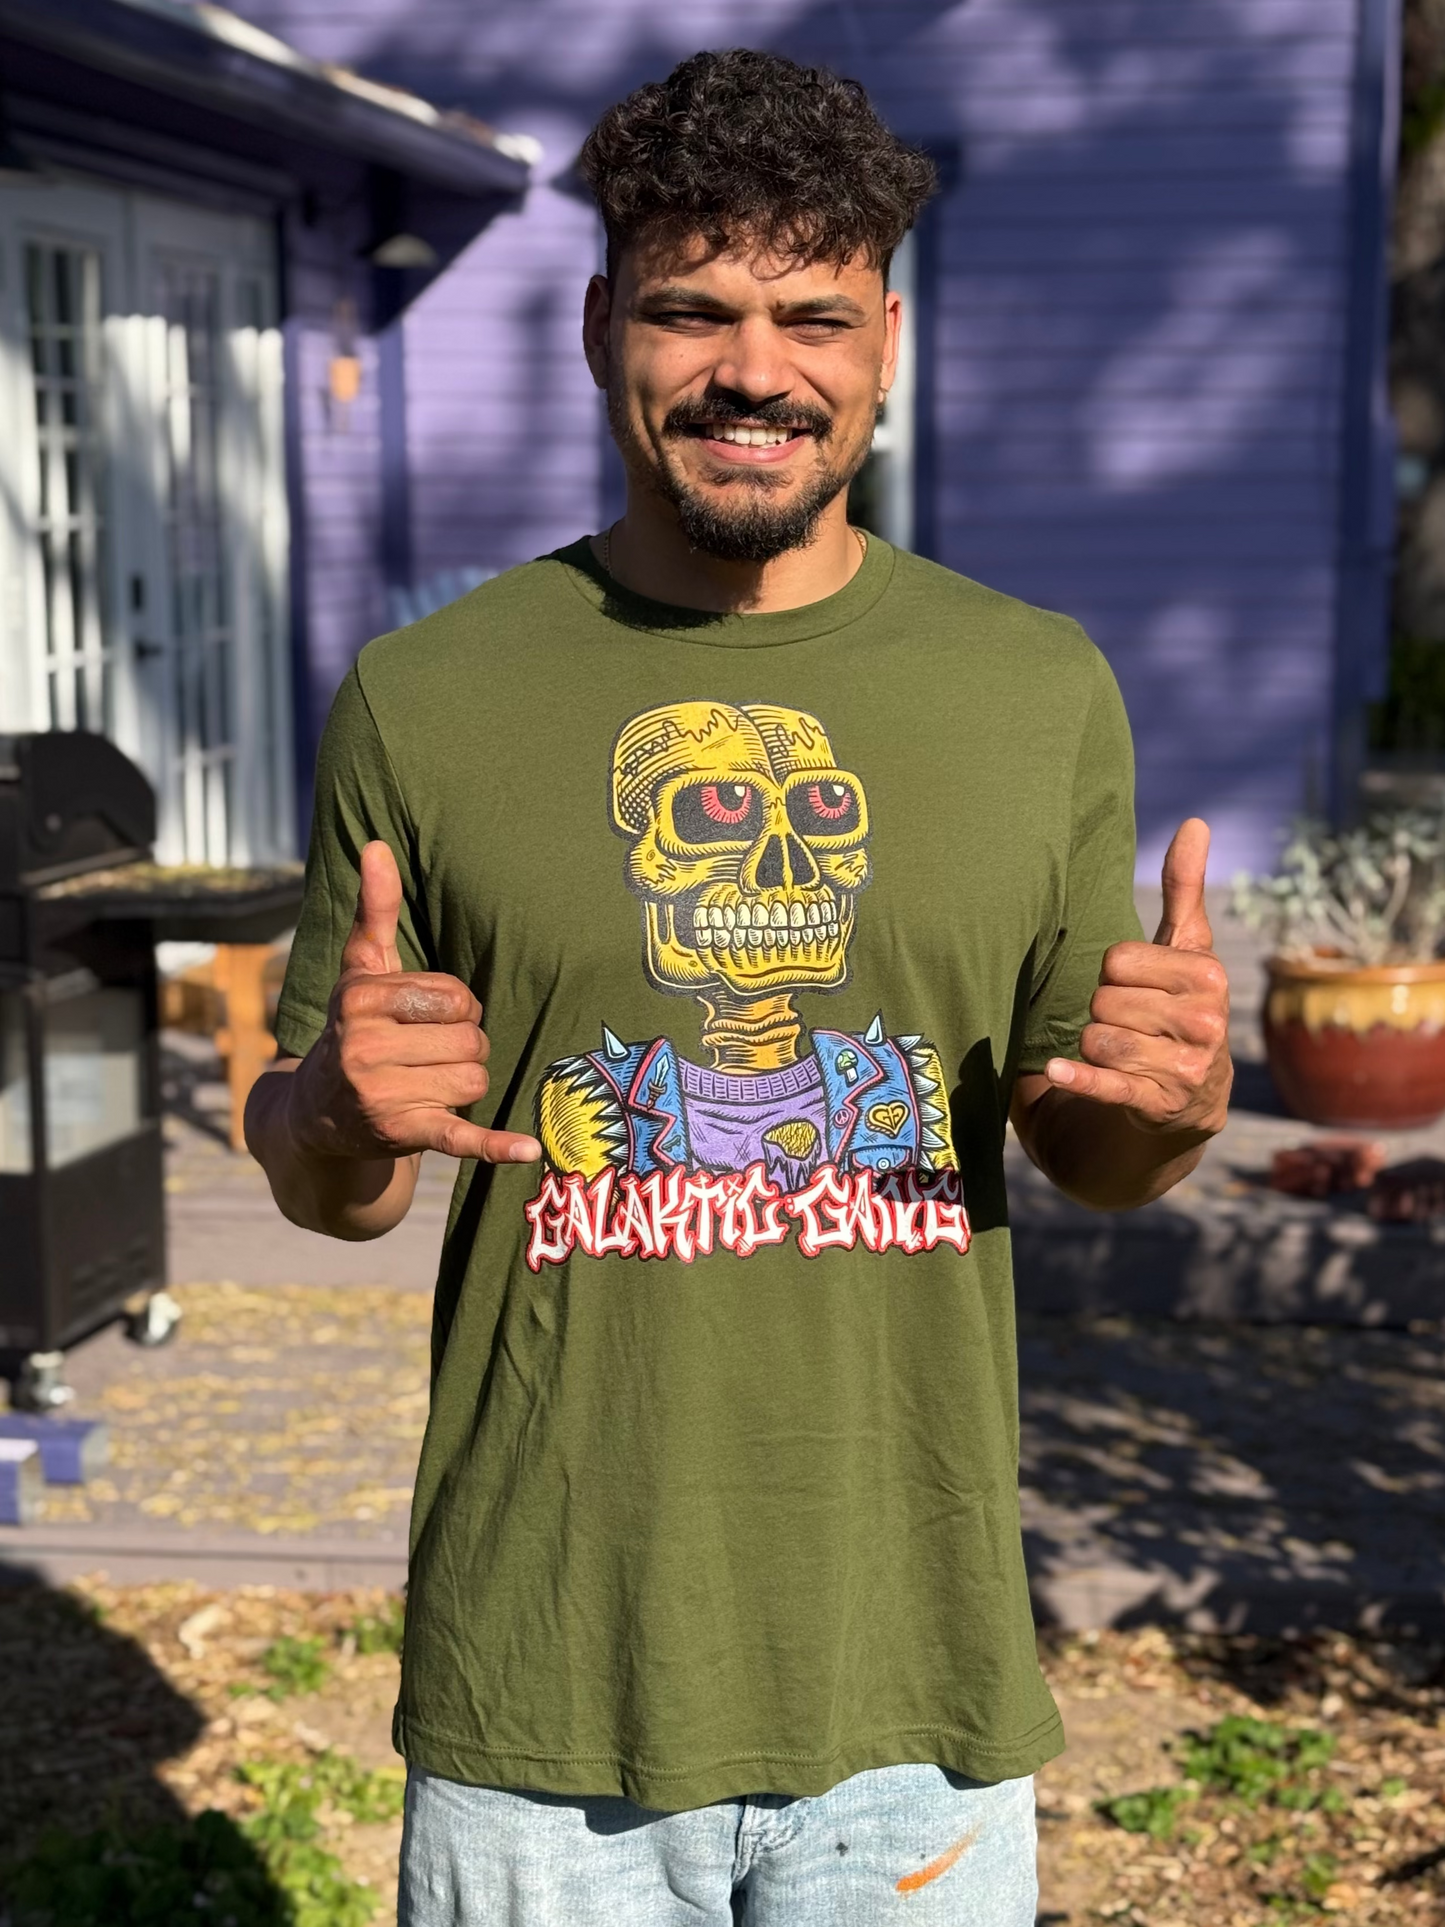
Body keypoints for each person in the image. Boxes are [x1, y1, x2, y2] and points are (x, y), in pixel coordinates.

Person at [246, 46, 1232, 1927]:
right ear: (606, 320)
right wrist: (329, 1111)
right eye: (694, 308)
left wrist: (1165, 1113)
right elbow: (334, 1166)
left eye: (813, 315)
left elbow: (1083, 1145)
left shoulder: (1035, 692)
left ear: (886, 340)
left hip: (911, 1682)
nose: (754, 369)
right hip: (545, 1685)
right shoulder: (427, 698)